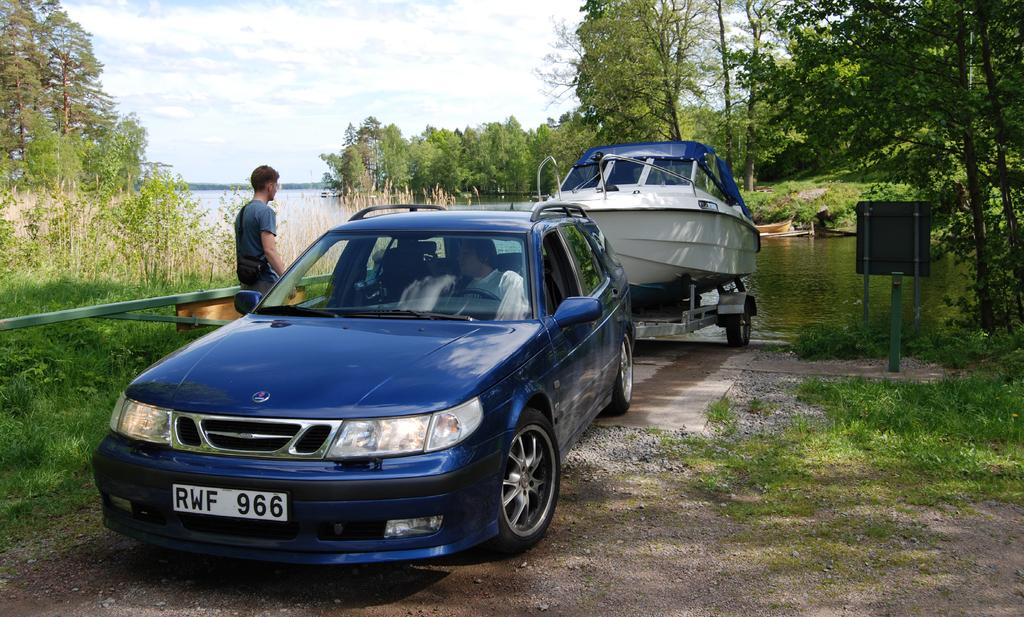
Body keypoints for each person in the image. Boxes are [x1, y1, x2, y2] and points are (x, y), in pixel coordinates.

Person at [235, 165, 286, 294]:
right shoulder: (265, 212)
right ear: (269, 186)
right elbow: (269, 250)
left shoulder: (242, 212)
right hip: (264, 282)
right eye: (276, 186)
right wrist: (286, 280)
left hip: (246, 281)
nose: (276, 190)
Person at [457, 238, 529, 320]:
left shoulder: (509, 280)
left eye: (465, 254)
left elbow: (512, 319)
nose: (459, 258)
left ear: (483, 256)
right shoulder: (469, 287)